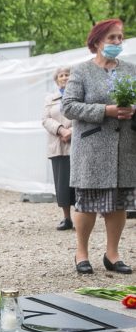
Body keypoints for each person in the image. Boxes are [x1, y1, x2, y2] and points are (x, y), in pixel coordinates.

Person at [63, 18, 136, 274]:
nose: (117, 42)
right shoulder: (81, 71)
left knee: (118, 203)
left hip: (124, 147)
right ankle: (81, 253)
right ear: (97, 42)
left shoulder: (131, 70)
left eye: (120, 38)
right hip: (92, 148)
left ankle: (112, 254)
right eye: (112, 38)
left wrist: (132, 110)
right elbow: (69, 106)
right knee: (87, 203)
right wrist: (106, 110)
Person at [42, 67, 75, 230]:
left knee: (81, 182)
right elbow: (45, 119)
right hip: (58, 145)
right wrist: (61, 130)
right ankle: (67, 218)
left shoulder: (80, 96)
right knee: (62, 183)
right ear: (57, 80)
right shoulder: (50, 98)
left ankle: (83, 216)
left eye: (67, 75)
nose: (64, 78)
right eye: (61, 76)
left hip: (77, 143)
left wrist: (72, 132)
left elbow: (85, 116)